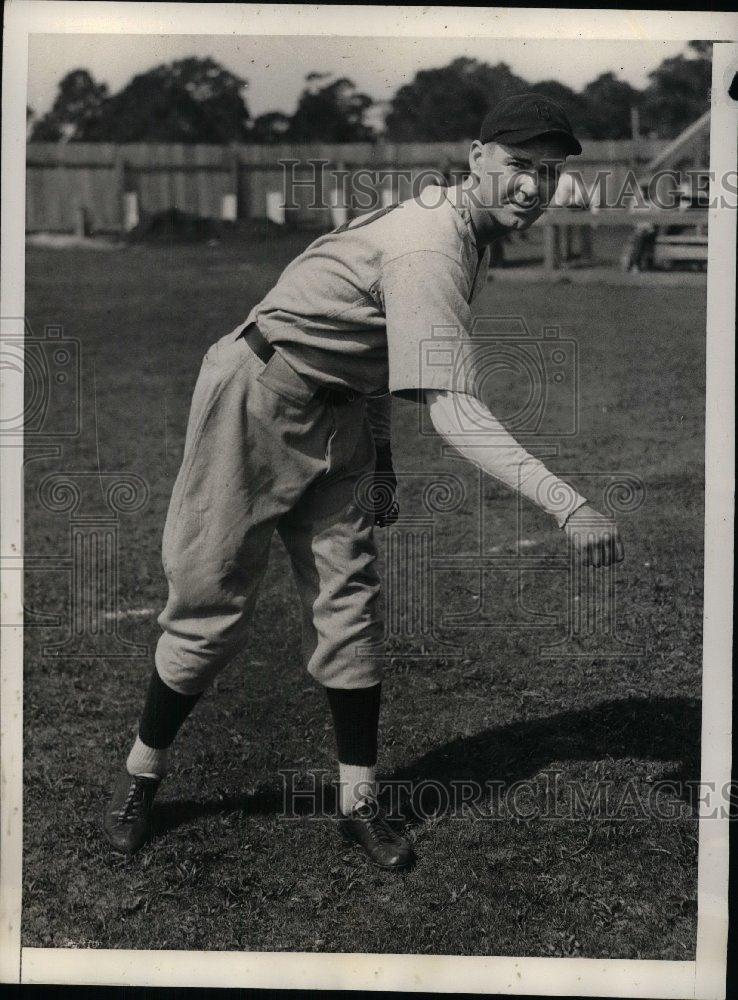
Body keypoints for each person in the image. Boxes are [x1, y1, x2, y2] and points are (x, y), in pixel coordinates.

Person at [104, 93, 624, 870]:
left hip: (340, 413)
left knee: (350, 609)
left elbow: (376, 345)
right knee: (209, 606)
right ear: (476, 156)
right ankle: (141, 779)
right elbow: (451, 406)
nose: (533, 186)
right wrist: (568, 503)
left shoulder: (466, 231)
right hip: (256, 397)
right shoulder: (430, 243)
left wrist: (379, 454)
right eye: (519, 165)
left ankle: (358, 804)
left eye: (549, 173)